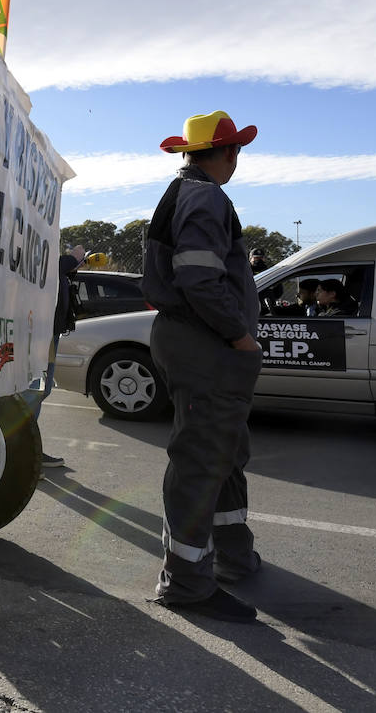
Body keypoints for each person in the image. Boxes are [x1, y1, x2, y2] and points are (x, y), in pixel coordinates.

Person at [140, 110, 263, 624]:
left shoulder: (184, 191)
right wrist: (239, 336)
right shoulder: (207, 196)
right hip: (205, 341)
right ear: (227, 152)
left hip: (190, 338)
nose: (237, 161)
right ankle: (187, 582)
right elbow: (200, 279)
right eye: (236, 152)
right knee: (202, 458)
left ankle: (233, 555)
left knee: (225, 451)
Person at [38, 243, 87, 468]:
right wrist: (73, 257)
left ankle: (28, 450)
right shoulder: (44, 257)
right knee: (34, 391)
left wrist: (73, 264)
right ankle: (22, 453)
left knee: (40, 391)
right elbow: (53, 266)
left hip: (48, 333)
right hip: (39, 334)